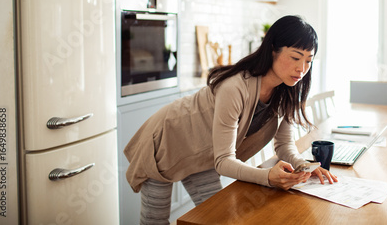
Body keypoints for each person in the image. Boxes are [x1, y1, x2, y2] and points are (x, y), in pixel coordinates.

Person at [124, 15, 338, 225]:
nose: (302, 68)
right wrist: (267, 176)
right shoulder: (235, 87)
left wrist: (303, 166)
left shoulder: (286, 92)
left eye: (308, 61)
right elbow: (224, 161)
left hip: (206, 151)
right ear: (273, 50)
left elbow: (283, 144)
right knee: (155, 220)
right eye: (295, 57)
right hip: (168, 139)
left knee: (217, 217)